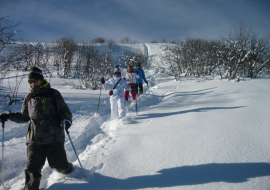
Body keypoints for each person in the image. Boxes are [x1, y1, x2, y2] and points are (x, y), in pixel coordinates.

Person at [0, 67, 73, 190]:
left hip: (54, 137)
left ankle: (69, 169)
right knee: (32, 169)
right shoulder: (29, 98)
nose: (32, 84)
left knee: (59, 165)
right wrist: (8, 116)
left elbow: (65, 111)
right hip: (34, 139)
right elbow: (24, 117)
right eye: (30, 82)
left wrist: (66, 120)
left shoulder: (53, 94)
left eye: (35, 81)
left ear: (41, 79)